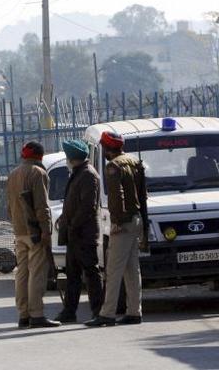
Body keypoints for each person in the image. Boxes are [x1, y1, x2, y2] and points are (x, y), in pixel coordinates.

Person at [85, 132, 144, 327]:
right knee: (132, 270)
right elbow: (142, 195)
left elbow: (116, 197)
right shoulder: (135, 162)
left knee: (113, 270)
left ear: (107, 149)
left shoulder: (113, 166)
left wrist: (116, 221)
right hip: (136, 220)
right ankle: (134, 311)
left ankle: (107, 313)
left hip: (123, 222)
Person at [7, 141, 61, 329]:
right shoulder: (38, 173)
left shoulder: (13, 174)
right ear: (40, 156)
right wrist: (46, 231)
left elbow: (9, 207)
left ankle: (23, 314)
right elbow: (41, 206)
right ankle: (37, 314)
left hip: (19, 231)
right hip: (35, 232)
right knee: (37, 273)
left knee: (22, 273)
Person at [55, 140, 103, 323]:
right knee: (73, 275)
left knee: (91, 273)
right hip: (75, 234)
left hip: (83, 234)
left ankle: (98, 311)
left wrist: (73, 225)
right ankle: (69, 311)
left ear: (71, 158)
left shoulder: (88, 175)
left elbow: (87, 207)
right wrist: (64, 220)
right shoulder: (78, 173)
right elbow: (74, 203)